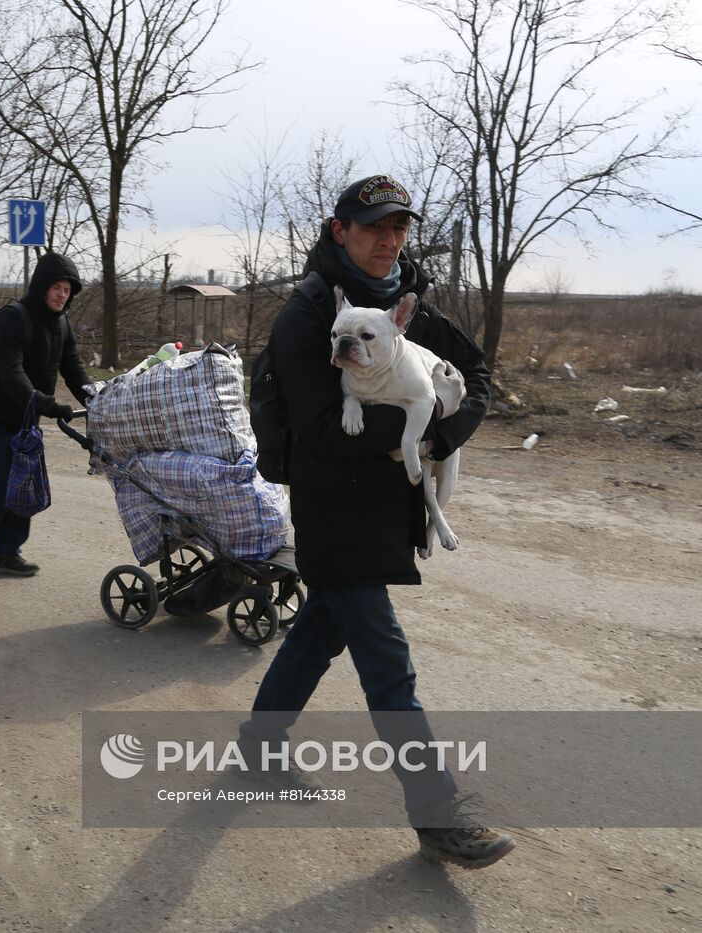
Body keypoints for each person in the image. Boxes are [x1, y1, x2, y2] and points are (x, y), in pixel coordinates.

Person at [241, 174, 513, 869]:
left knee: (317, 630)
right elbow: (326, 430)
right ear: (341, 232)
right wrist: (418, 427)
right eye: (372, 229)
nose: (388, 241)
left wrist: (444, 435)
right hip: (334, 507)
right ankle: (439, 816)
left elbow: (474, 373)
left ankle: (257, 745)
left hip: (388, 504)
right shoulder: (309, 318)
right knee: (388, 666)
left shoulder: (404, 304)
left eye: (398, 228)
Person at [0, 252, 90, 577]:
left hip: (27, 417)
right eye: (55, 287)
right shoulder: (13, 318)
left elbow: (74, 368)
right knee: (7, 481)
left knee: (25, 481)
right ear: (41, 286)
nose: (61, 295)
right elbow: (11, 374)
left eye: (67, 290)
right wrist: (48, 405)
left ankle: (6, 553)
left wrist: (95, 396)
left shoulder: (62, 324)